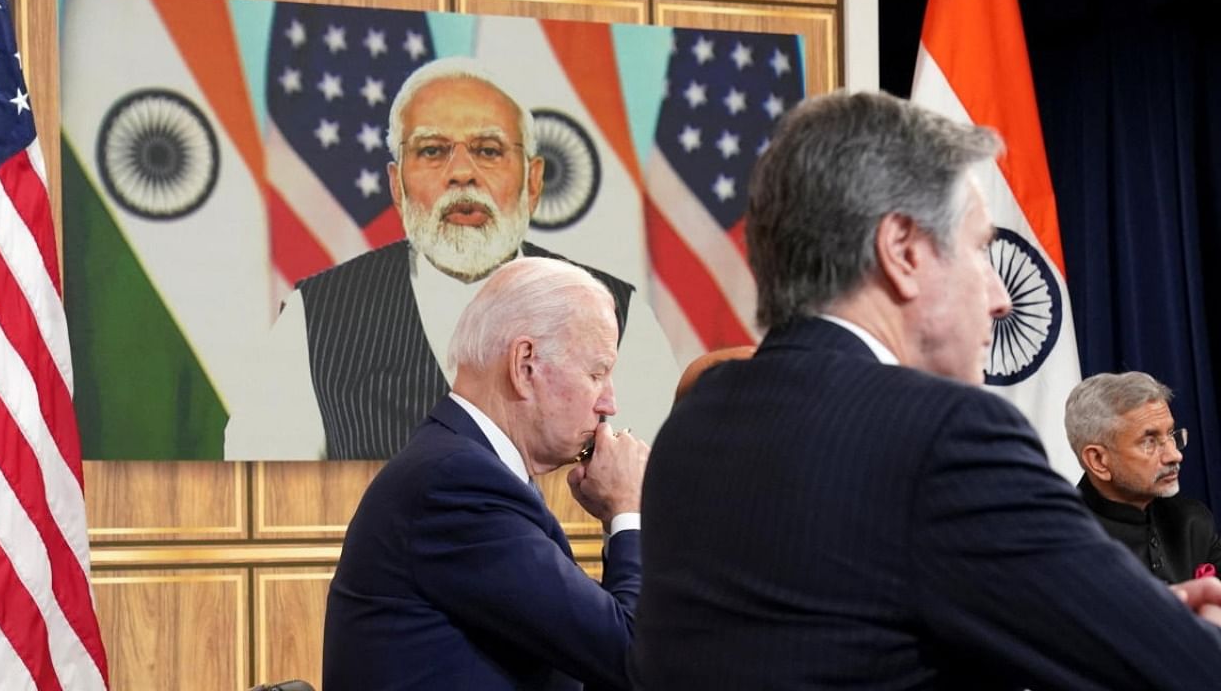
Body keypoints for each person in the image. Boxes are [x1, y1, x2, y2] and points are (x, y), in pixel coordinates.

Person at [631, 90, 1221, 690]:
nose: (1001, 298)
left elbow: (841, 632)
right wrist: (1168, 633)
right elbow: (1190, 671)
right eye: (978, 251)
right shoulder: (943, 434)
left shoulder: (699, 418)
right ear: (903, 251)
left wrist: (1114, 616)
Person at [224, 57, 678, 460]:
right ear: (397, 186)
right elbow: (264, 484)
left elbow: (657, 490)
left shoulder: (620, 313)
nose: (462, 174)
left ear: (533, 182)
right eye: (433, 151)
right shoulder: (316, 313)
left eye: (488, 150)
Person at [323, 257, 648, 690]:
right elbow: (633, 655)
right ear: (525, 366)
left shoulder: (470, 471)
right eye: (596, 373)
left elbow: (590, 657)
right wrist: (627, 512)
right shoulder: (456, 484)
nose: (609, 404)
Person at [1065, 371, 1221, 582]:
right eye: (1150, 442)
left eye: (1171, 435)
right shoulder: (1061, 545)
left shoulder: (1192, 521)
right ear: (1098, 460)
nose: (1175, 455)